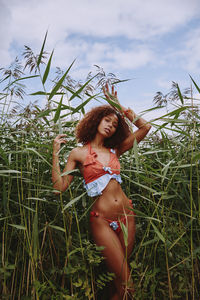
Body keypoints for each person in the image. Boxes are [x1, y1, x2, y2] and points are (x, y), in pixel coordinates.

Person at [52, 84, 151, 299]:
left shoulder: (116, 150)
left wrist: (119, 107)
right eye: (107, 120)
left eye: (115, 124)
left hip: (127, 218)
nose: (111, 126)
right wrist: (55, 154)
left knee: (120, 286)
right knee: (129, 287)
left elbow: (145, 128)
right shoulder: (77, 153)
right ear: (96, 120)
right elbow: (59, 188)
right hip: (102, 220)